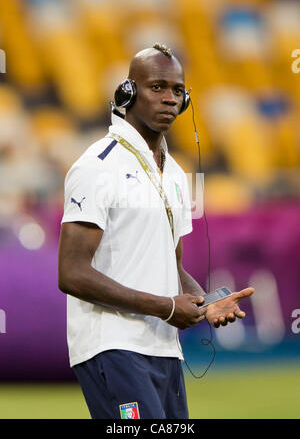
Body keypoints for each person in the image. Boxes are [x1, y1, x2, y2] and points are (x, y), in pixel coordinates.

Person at [58, 43, 254, 419]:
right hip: (112, 344)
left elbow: (171, 266)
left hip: (164, 348)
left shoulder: (177, 173)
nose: (169, 99)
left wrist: (205, 299)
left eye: (177, 91)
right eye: (157, 87)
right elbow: (72, 273)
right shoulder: (96, 167)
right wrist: (165, 308)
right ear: (127, 92)